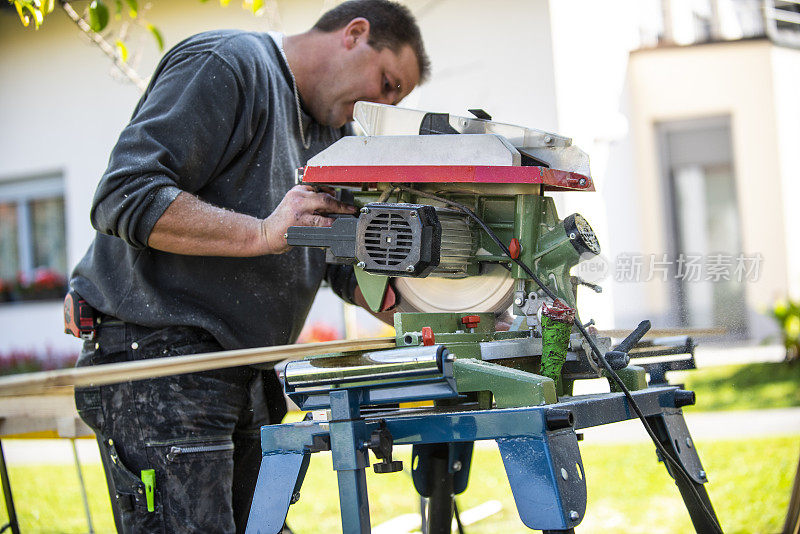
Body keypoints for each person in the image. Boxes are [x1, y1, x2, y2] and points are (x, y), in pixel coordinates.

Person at [68, 1, 429, 532]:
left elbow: (341, 263)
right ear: (355, 34)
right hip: (162, 362)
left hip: (251, 370)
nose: (382, 103)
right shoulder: (230, 64)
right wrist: (262, 233)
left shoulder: (334, 138)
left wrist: (433, 308)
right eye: (388, 83)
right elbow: (124, 194)